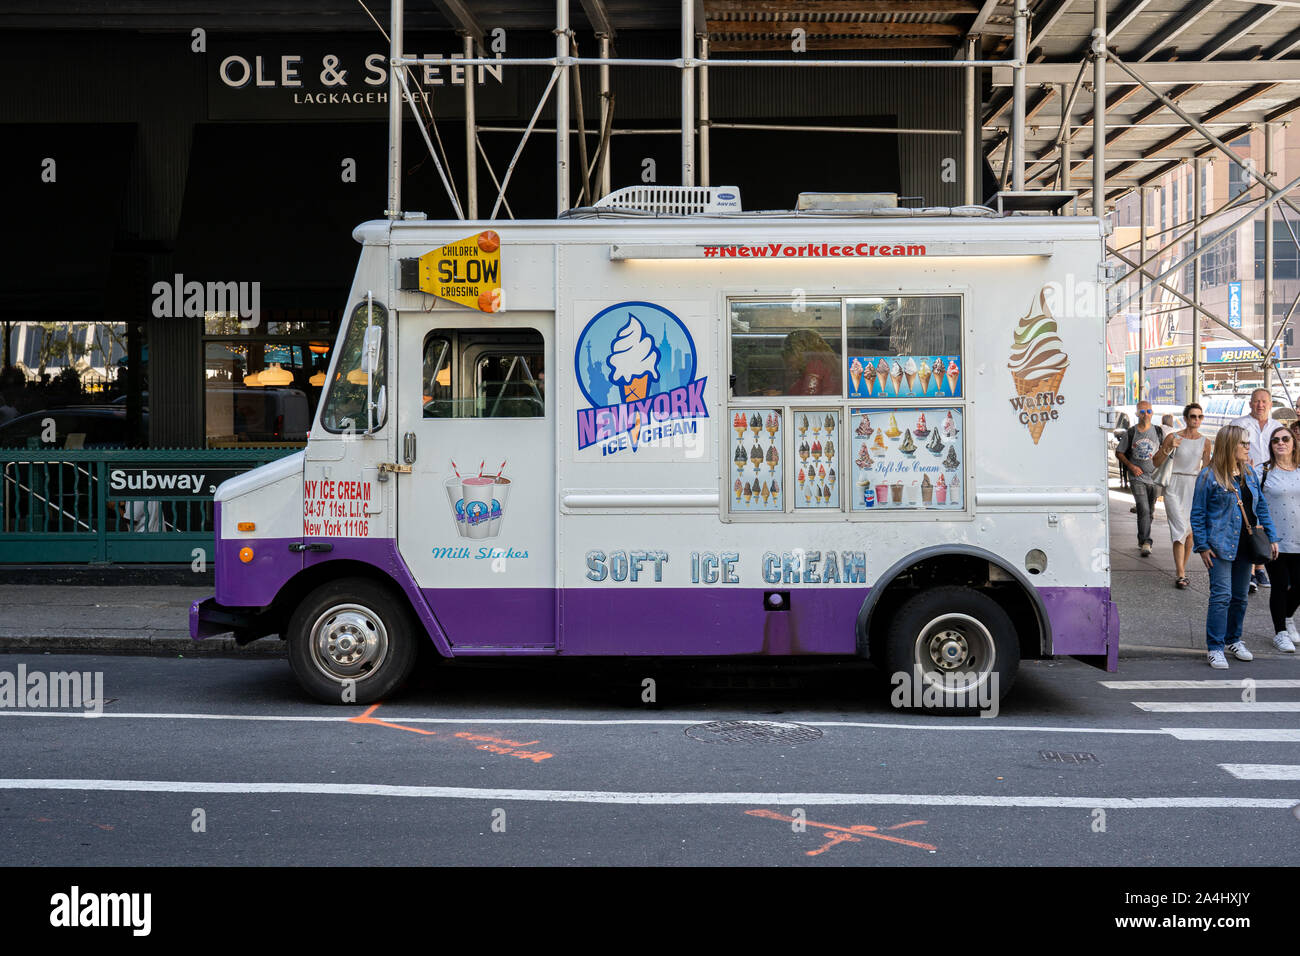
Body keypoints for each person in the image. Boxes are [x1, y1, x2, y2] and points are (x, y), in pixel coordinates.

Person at [1191, 425, 1278, 669]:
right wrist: (1202, 545)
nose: (1248, 447)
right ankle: (1215, 646)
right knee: (1221, 597)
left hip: (1246, 545)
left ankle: (1234, 640)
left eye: (1248, 443)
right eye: (1243, 443)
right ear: (1230, 445)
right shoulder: (1209, 476)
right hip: (1219, 545)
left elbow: (1260, 508)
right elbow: (1197, 514)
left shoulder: (1249, 473)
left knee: (1240, 597)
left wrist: (1272, 536)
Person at [1231, 388, 1283, 592]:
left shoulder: (1277, 427)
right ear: (1250, 403)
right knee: (1249, 519)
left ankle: (1260, 565)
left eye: (1264, 401)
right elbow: (1227, 448)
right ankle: (1251, 571)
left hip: (1271, 478)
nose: (1260, 405)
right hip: (1246, 478)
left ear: (1270, 404)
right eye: (1256, 401)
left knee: (1263, 518)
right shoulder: (1239, 424)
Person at [1154, 403, 1211, 589]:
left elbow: (1206, 470)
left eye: (1199, 417)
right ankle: (1180, 573)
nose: (1196, 420)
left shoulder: (1205, 442)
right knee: (1179, 527)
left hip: (1193, 486)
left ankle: (1182, 570)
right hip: (1173, 485)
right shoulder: (1173, 436)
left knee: (1189, 532)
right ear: (1185, 418)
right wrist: (1168, 447)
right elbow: (1156, 462)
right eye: (1193, 416)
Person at [1256, 428, 1300, 652]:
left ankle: (1288, 617)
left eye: (1285, 439)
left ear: (1294, 443)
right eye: (1275, 440)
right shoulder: (1263, 471)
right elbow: (1251, 501)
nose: (1280, 443)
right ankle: (1280, 632)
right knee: (1280, 585)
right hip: (1275, 540)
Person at [1115, 400, 1164, 556]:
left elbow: (1164, 452)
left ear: (1152, 413)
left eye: (1148, 411)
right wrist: (1131, 466)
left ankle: (1141, 537)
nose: (1145, 415)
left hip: (1154, 477)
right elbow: (1119, 452)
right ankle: (1146, 542)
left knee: (1149, 511)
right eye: (1142, 412)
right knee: (1143, 508)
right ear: (1137, 414)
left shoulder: (1158, 432)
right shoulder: (1131, 432)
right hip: (1137, 477)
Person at [781, 329, 840, 396]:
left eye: (789, 351)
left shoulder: (814, 367)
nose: (787, 358)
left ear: (799, 351)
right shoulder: (821, 364)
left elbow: (808, 397)